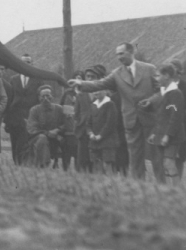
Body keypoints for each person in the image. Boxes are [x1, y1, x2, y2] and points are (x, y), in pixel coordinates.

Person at [68, 42, 159, 180]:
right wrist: (81, 84)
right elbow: (100, 84)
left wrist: (151, 101)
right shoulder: (116, 74)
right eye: (117, 54)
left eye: (121, 53)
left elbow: (161, 91)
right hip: (131, 121)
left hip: (151, 119)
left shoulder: (149, 69)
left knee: (156, 155)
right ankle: (138, 188)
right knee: (135, 158)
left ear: (131, 52)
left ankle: (163, 188)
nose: (118, 57)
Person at [148, 64, 186, 186]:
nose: (156, 79)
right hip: (161, 134)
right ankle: (169, 188)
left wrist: (168, 135)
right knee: (164, 163)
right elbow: (161, 116)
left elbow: (175, 116)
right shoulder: (164, 93)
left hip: (172, 136)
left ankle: (177, 188)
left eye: (158, 76)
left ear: (167, 76)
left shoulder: (175, 94)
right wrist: (154, 133)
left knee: (169, 162)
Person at [3, 54, 44, 165]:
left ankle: (24, 164)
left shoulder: (38, 80)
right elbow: (9, 100)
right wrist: (6, 120)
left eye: (28, 62)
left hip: (30, 118)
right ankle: (16, 164)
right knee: (15, 143)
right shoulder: (13, 79)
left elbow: (41, 100)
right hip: (14, 118)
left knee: (26, 143)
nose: (25, 65)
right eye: (23, 62)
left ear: (31, 64)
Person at [23, 85, 67, 168]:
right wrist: (47, 133)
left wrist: (58, 130)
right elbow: (32, 129)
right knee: (42, 138)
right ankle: (43, 165)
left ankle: (67, 166)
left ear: (52, 96)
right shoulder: (34, 110)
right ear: (39, 98)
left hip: (57, 137)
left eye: (48, 95)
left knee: (69, 140)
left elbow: (67, 123)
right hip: (37, 137)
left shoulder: (59, 109)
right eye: (43, 96)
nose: (45, 98)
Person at [86, 86, 119, 174]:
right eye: (94, 91)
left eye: (98, 90)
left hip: (108, 141)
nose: (96, 93)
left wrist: (101, 135)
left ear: (105, 91)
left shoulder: (110, 104)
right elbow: (88, 123)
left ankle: (110, 185)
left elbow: (110, 123)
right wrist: (91, 134)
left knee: (107, 165)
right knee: (96, 166)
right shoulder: (93, 105)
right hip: (94, 141)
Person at [169, 59, 186, 178]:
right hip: (167, 124)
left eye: (173, 67)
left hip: (181, 125)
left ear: (179, 70)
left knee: (179, 156)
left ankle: (177, 184)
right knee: (168, 155)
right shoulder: (164, 86)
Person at [57, 70, 84, 171]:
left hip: (79, 126)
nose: (78, 79)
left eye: (80, 78)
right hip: (68, 127)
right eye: (76, 77)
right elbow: (62, 108)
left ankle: (79, 170)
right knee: (66, 151)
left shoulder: (85, 93)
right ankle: (65, 169)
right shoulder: (67, 93)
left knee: (79, 152)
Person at [73, 68, 99, 172]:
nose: (90, 79)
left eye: (93, 77)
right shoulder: (81, 93)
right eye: (88, 76)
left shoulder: (101, 93)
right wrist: (78, 124)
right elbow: (76, 113)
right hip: (83, 129)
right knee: (82, 155)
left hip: (97, 128)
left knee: (94, 156)